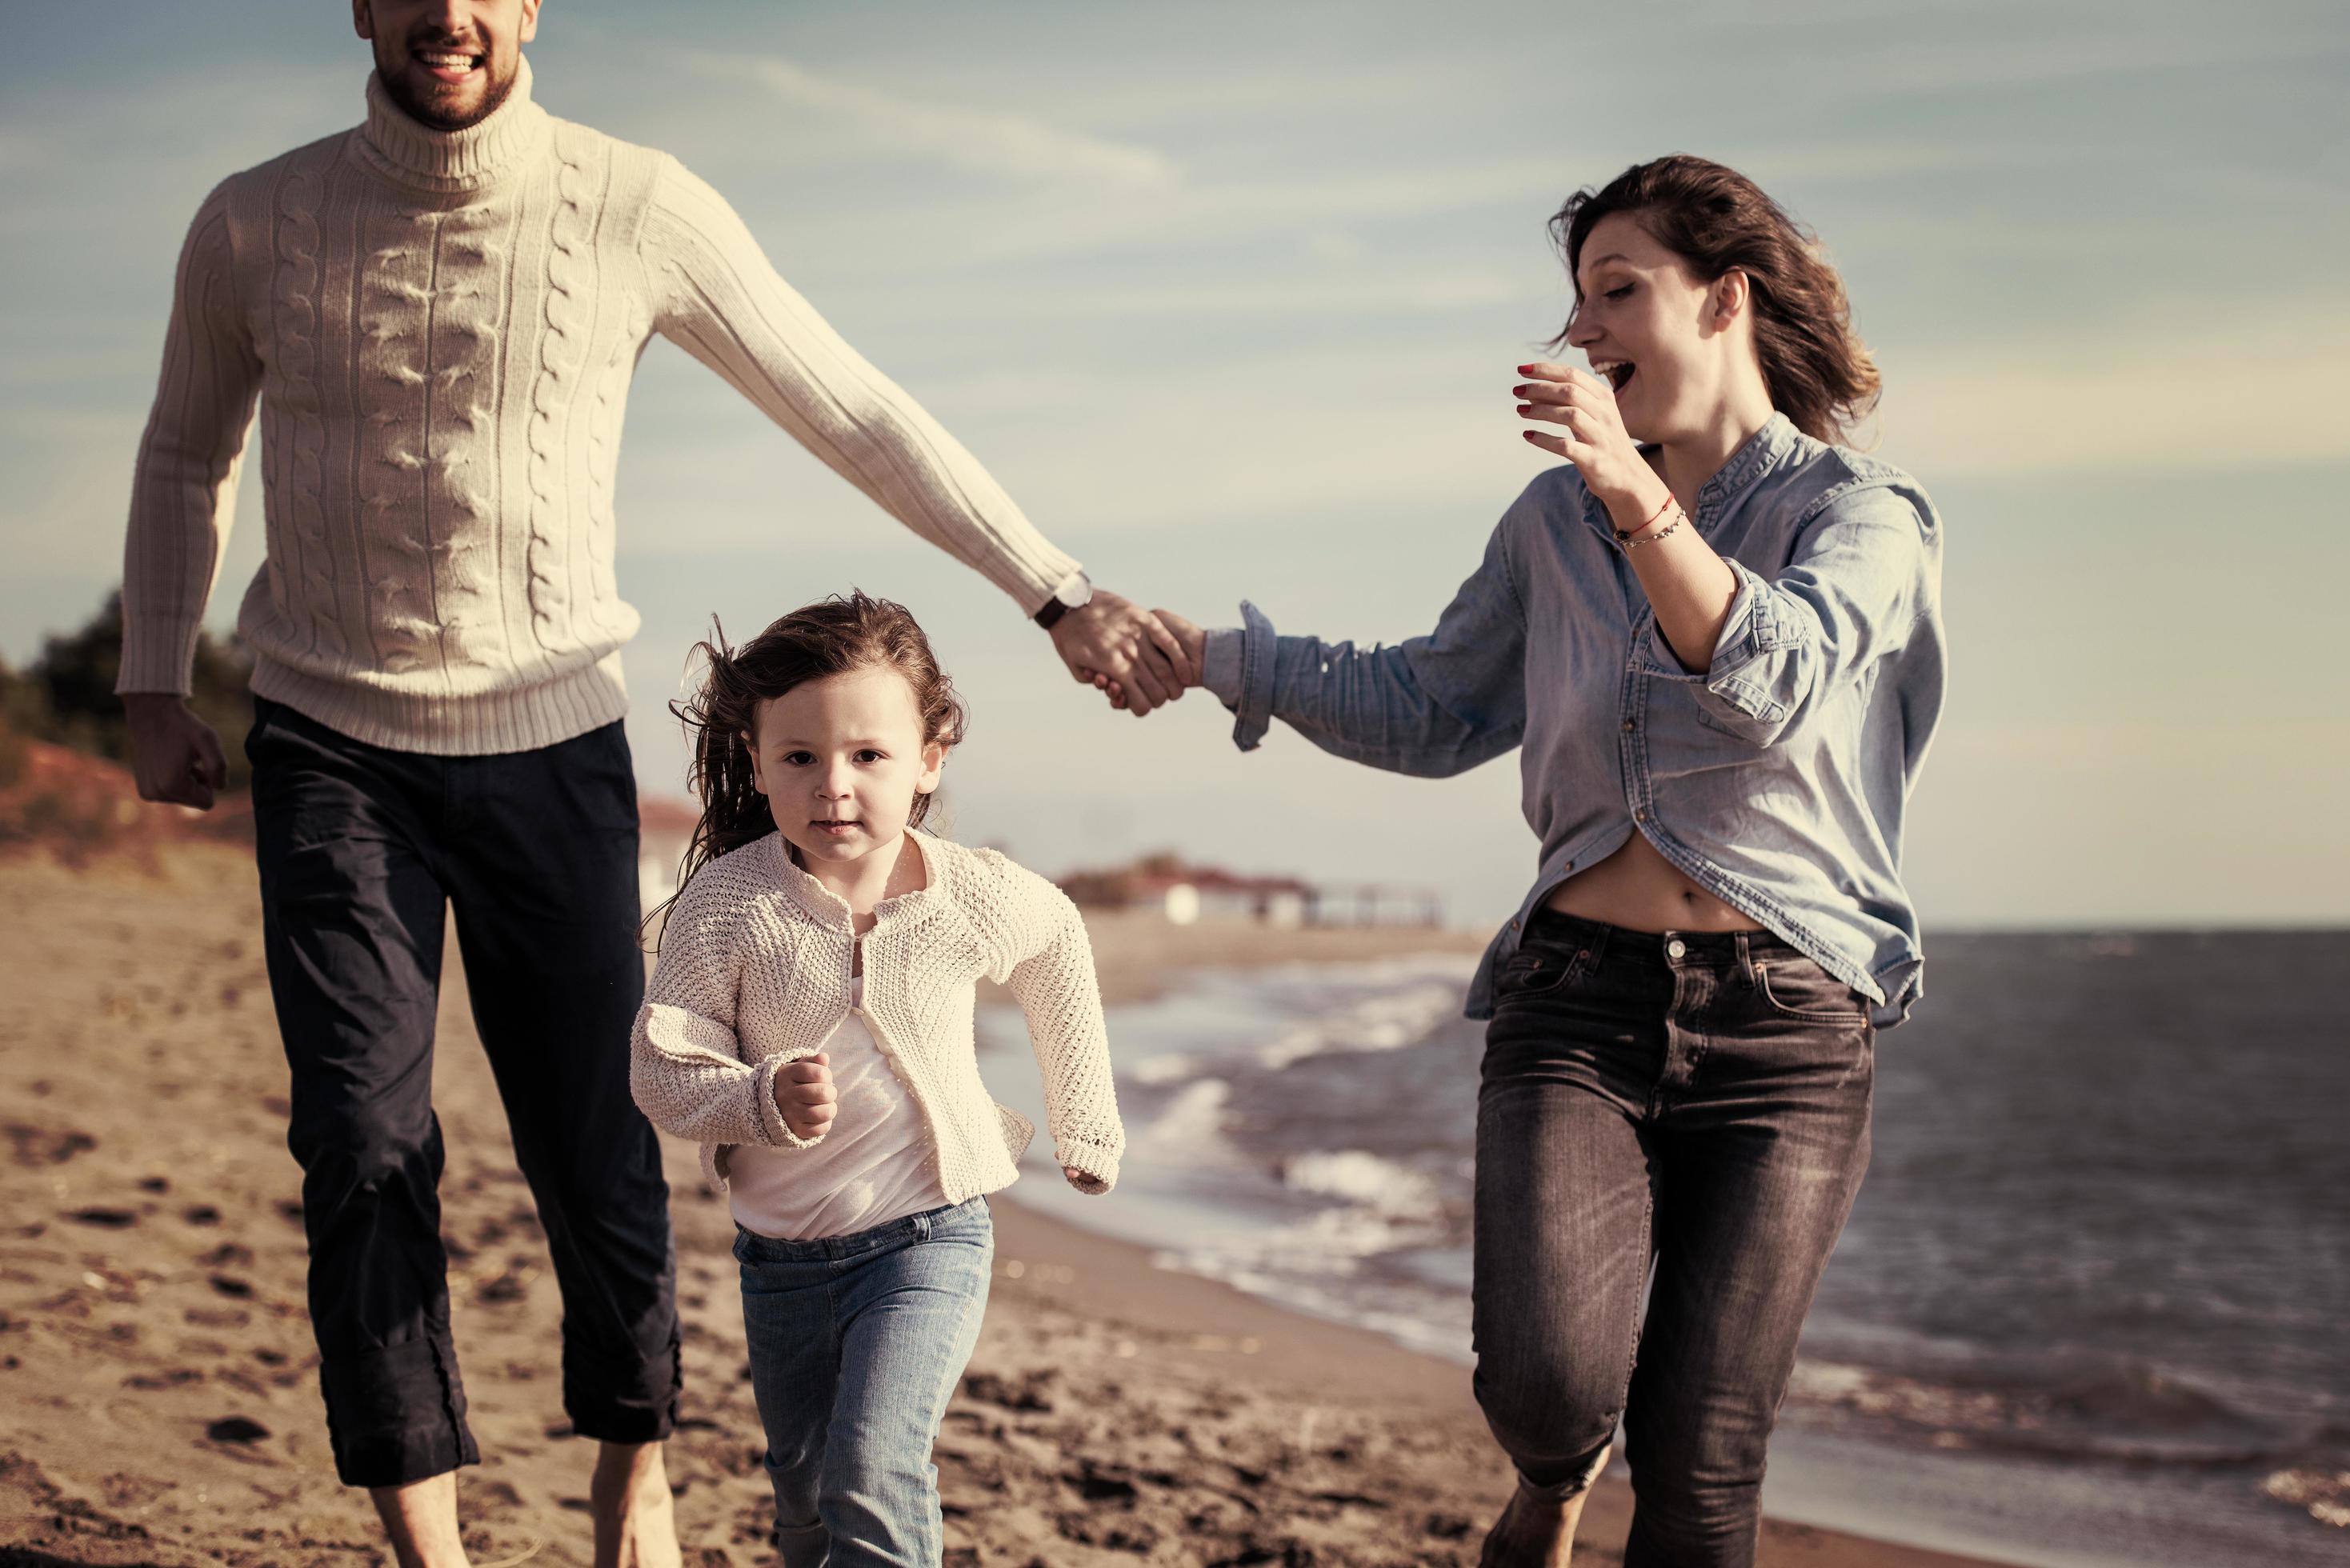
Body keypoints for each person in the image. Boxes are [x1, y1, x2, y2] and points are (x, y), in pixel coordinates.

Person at [111, 2, 1180, 1562]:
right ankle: (428, 1536)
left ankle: (634, 1457)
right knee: (360, 1135)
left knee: (595, 1136)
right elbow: (179, 454)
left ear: (533, 5)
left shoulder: (635, 202)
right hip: (331, 740)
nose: (448, 12)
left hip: (547, 741)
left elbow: (853, 405)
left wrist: (1054, 587)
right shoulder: (254, 218)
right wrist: (151, 674)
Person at [1137, 156, 1946, 1568]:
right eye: (1576, 306)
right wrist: (1215, 657)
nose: (1585, 333)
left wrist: (1629, 486)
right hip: (1576, 999)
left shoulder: (1861, 517)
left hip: (1790, 1035)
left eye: (1617, 294)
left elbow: (1771, 681)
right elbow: (1431, 702)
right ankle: (1551, 1475)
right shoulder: (1549, 526)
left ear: (1723, 303)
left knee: (1701, 1468)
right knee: (1545, 1389)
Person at [629, 591, 1122, 1568]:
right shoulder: (728, 906)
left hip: (928, 1237)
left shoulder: (965, 890)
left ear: (928, 758)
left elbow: (1057, 940)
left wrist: (1087, 1125)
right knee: (806, 1503)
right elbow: (661, 1068)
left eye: (868, 756)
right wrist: (757, 1099)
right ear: (758, 760)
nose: (834, 787)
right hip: (782, 1265)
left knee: (873, 1469)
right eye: (800, 758)